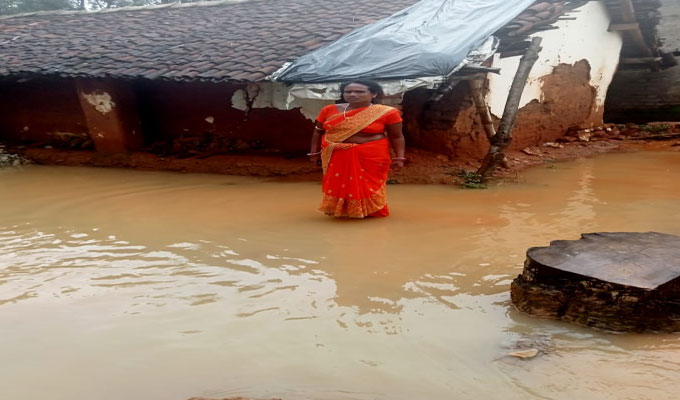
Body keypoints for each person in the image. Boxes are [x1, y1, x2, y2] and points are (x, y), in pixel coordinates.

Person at [308, 80, 406, 218]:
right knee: (340, 184)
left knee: (369, 185)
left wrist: (399, 157)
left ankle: (371, 211)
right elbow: (318, 132)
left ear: (373, 94)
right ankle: (343, 211)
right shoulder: (329, 110)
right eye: (348, 91)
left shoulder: (387, 113)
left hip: (371, 155)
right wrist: (314, 153)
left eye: (359, 91)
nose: (352, 94)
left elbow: (397, 137)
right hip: (337, 154)